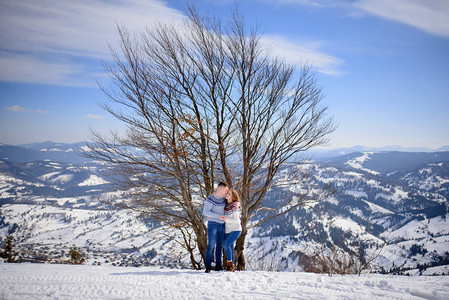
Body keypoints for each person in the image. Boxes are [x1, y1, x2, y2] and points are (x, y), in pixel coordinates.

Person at [203, 181, 229, 273]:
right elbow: (205, 212)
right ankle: (208, 267)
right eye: (226, 190)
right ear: (220, 188)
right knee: (211, 246)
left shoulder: (223, 199)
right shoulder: (210, 198)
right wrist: (217, 216)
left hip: (222, 225)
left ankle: (219, 267)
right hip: (213, 225)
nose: (226, 192)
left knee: (220, 246)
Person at [223, 188, 242, 272]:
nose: (227, 194)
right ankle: (232, 267)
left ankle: (229, 265)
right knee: (229, 247)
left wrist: (225, 219)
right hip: (228, 230)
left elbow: (236, 220)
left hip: (235, 229)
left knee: (226, 245)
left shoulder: (235, 205)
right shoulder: (226, 205)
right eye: (227, 193)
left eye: (229, 194)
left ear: (233, 197)